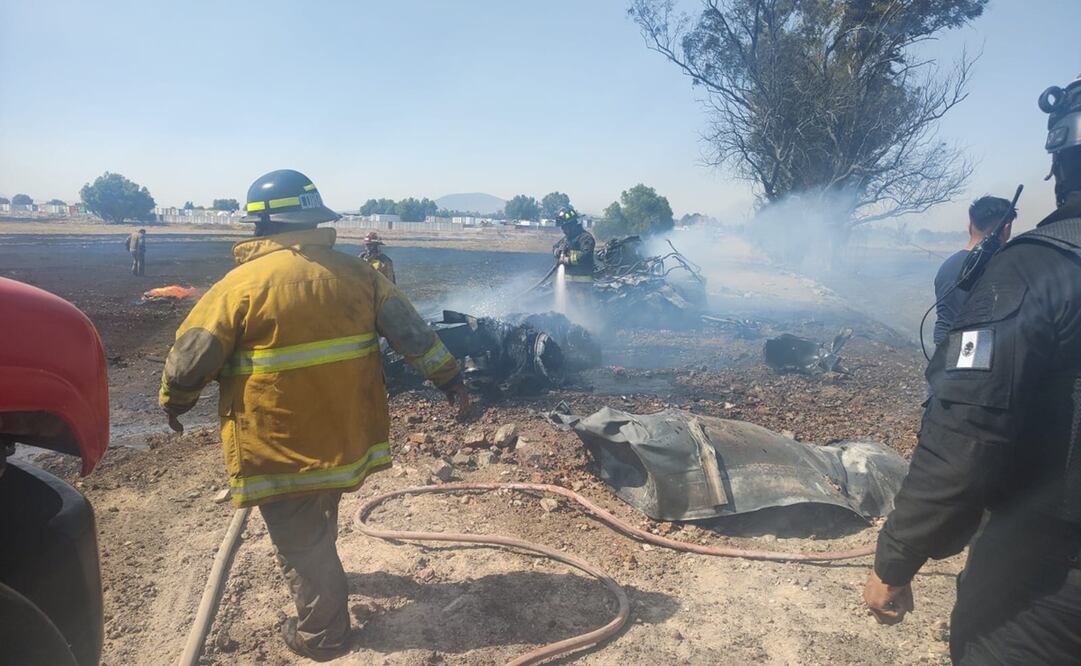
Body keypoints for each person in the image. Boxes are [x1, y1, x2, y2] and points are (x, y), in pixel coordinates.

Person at [158, 169, 469, 661]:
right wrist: (451, 381)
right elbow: (415, 336)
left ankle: (322, 635)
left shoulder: (237, 287)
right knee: (320, 513)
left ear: (261, 226)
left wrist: (174, 404)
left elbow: (189, 362)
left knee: (301, 542)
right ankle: (328, 580)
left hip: (278, 443)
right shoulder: (360, 275)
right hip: (347, 437)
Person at [864, 75, 1081, 664]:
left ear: (1063, 158)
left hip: (1047, 579)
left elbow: (967, 434)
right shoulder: (1008, 266)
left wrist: (898, 556)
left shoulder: (1035, 269)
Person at [932, 197, 1016, 346]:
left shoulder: (946, 267)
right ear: (1006, 230)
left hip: (944, 356)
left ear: (970, 226)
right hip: (983, 359)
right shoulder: (1005, 269)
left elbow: (944, 321)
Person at [552, 207, 595, 311]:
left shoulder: (585, 238)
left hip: (582, 286)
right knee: (568, 310)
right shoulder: (566, 239)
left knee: (583, 311)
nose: (562, 230)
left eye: (564, 227)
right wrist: (557, 252)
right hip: (568, 285)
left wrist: (567, 260)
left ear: (572, 225)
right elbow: (554, 247)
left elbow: (586, 254)